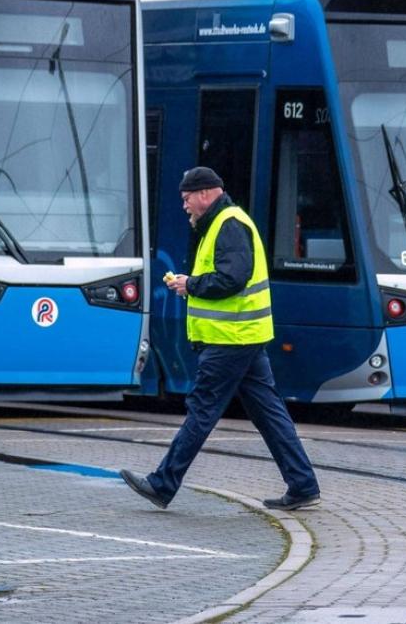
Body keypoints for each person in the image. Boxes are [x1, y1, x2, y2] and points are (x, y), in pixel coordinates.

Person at [120, 166, 321, 511]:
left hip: (231, 339)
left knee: (202, 411)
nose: (184, 205)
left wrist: (191, 285)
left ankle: (162, 484)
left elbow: (232, 278)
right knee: (269, 414)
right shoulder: (223, 222)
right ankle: (302, 484)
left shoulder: (228, 224)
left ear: (204, 194)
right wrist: (191, 283)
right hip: (243, 337)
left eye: (186, 198)